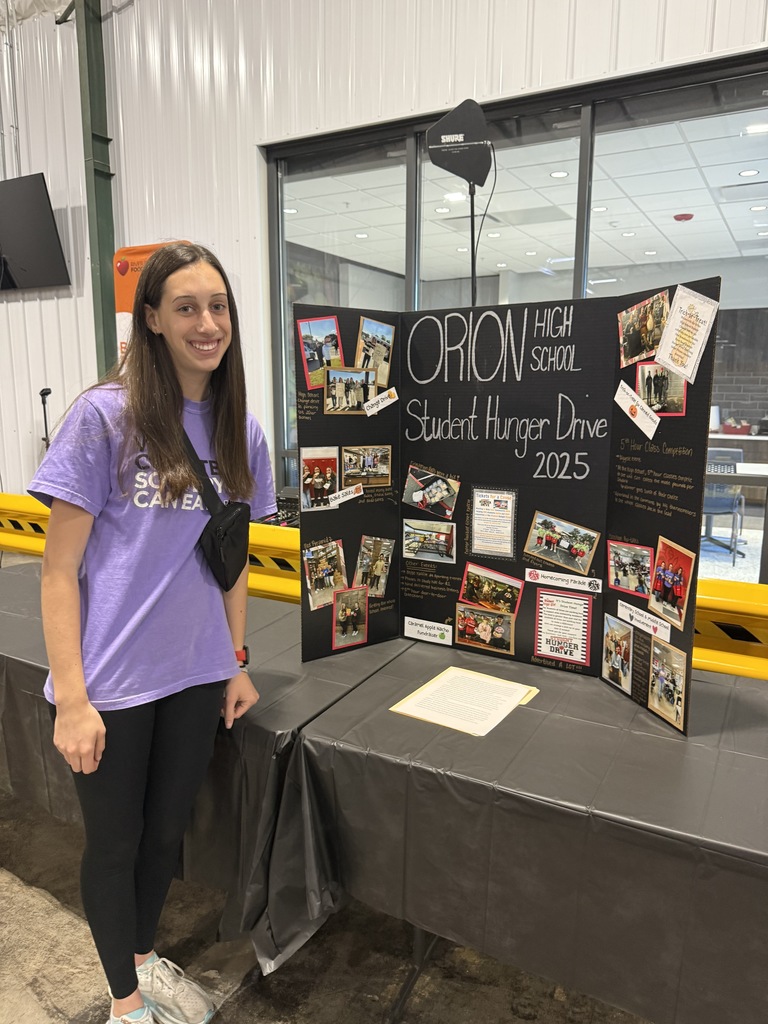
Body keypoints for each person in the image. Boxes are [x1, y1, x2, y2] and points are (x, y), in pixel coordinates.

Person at [27, 243, 277, 1024]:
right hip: (112, 678)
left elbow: (231, 559)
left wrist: (235, 660)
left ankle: (141, 958)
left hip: (197, 673)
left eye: (219, 307)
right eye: (187, 308)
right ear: (154, 322)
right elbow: (56, 572)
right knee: (115, 844)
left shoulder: (241, 427)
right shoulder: (104, 417)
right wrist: (72, 697)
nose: (208, 324)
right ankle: (127, 1006)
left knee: (164, 836)